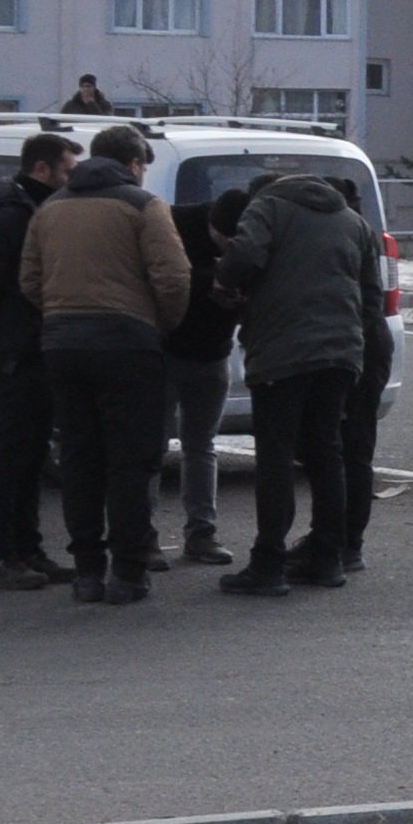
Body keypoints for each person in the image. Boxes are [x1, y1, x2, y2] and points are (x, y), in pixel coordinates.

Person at [15, 122, 190, 603]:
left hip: (63, 346)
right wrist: (157, 325)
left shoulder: (51, 207)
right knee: (130, 462)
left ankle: (88, 571)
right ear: (134, 165)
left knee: (80, 460)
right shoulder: (143, 206)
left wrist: (61, 312)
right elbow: (174, 277)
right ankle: (129, 572)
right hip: (128, 345)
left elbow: (30, 279)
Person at [211, 168, 385, 593]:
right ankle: (328, 559)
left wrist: (225, 283)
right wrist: (347, 338)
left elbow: (246, 255)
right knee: (327, 455)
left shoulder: (266, 207)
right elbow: (372, 296)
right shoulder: (353, 220)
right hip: (340, 356)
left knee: (275, 459)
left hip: (282, 354)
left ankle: (268, 565)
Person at [0, 133, 76, 589]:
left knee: (32, 454)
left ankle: (29, 550)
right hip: (13, 353)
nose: (70, 181)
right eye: (65, 170)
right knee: (11, 456)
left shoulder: (32, 211)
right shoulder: (7, 218)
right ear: (41, 169)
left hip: (31, 348)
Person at [158, 181, 251, 571]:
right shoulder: (172, 226)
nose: (227, 248)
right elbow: (161, 278)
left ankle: (201, 531)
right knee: (151, 446)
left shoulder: (253, 234)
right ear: (210, 223)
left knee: (201, 445)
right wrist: (207, 282)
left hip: (213, 352)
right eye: (221, 239)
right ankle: (140, 535)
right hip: (164, 351)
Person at [331, 182, 391, 575]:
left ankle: (339, 542)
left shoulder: (341, 233)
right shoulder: (363, 230)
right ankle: (350, 543)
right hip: (372, 343)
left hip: (349, 346)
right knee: (357, 450)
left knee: (337, 451)